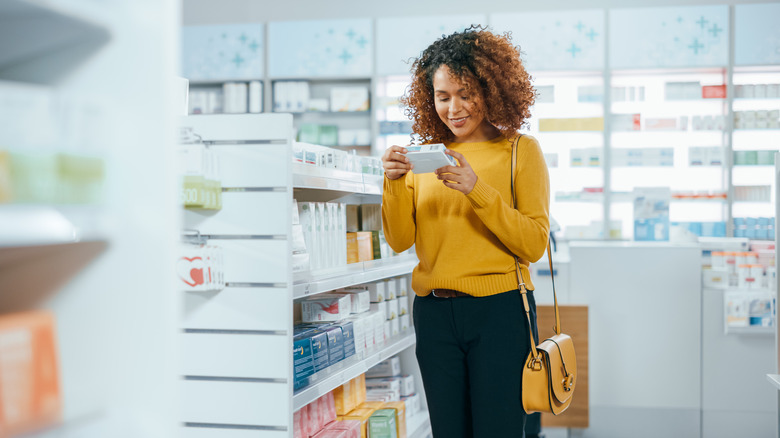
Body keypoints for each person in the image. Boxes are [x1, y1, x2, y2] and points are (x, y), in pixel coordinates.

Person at [381, 26, 550, 438]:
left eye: (466, 93)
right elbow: (400, 239)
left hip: (501, 312)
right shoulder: (423, 159)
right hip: (435, 314)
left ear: (491, 90)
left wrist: (477, 190)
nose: (453, 108)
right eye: (443, 96)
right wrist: (391, 181)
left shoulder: (519, 151)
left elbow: (533, 243)